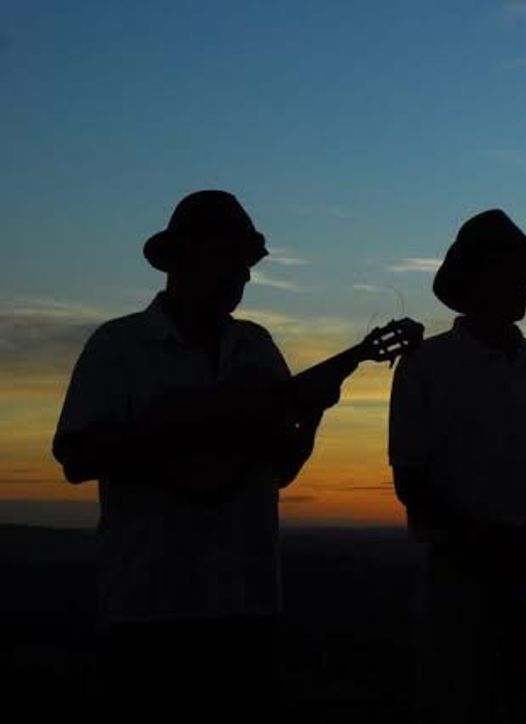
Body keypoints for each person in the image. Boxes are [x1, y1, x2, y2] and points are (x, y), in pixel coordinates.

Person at [52, 190, 357, 723]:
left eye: (245, 262)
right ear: (181, 260)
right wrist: (177, 429)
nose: (240, 275)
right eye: (227, 257)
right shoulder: (118, 345)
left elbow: (280, 468)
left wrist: (313, 412)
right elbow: (76, 454)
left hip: (249, 602)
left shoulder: (257, 346)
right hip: (149, 605)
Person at [389, 209, 526, 724]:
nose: (520, 283)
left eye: (522, 271)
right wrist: (487, 542)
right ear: (475, 280)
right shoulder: (424, 367)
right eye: (507, 269)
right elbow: (411, 480)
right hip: (460, 577)